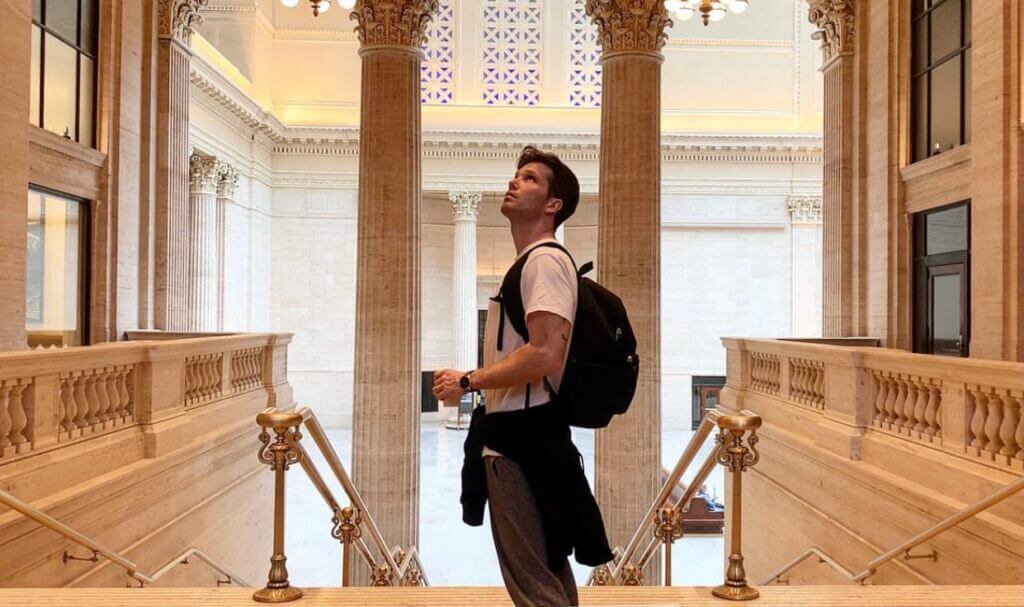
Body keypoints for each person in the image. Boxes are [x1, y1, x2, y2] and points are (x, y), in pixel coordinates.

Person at [433, 146, 612, 607]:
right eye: (517, 174)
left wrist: (468, 381)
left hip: (519, 441)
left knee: (531, 582)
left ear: (553, 204)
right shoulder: (533, 262)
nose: (515, 181)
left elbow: (546, 353)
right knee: (546, 567)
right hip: (531, 436)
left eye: (530, 178)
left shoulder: (543, 262)